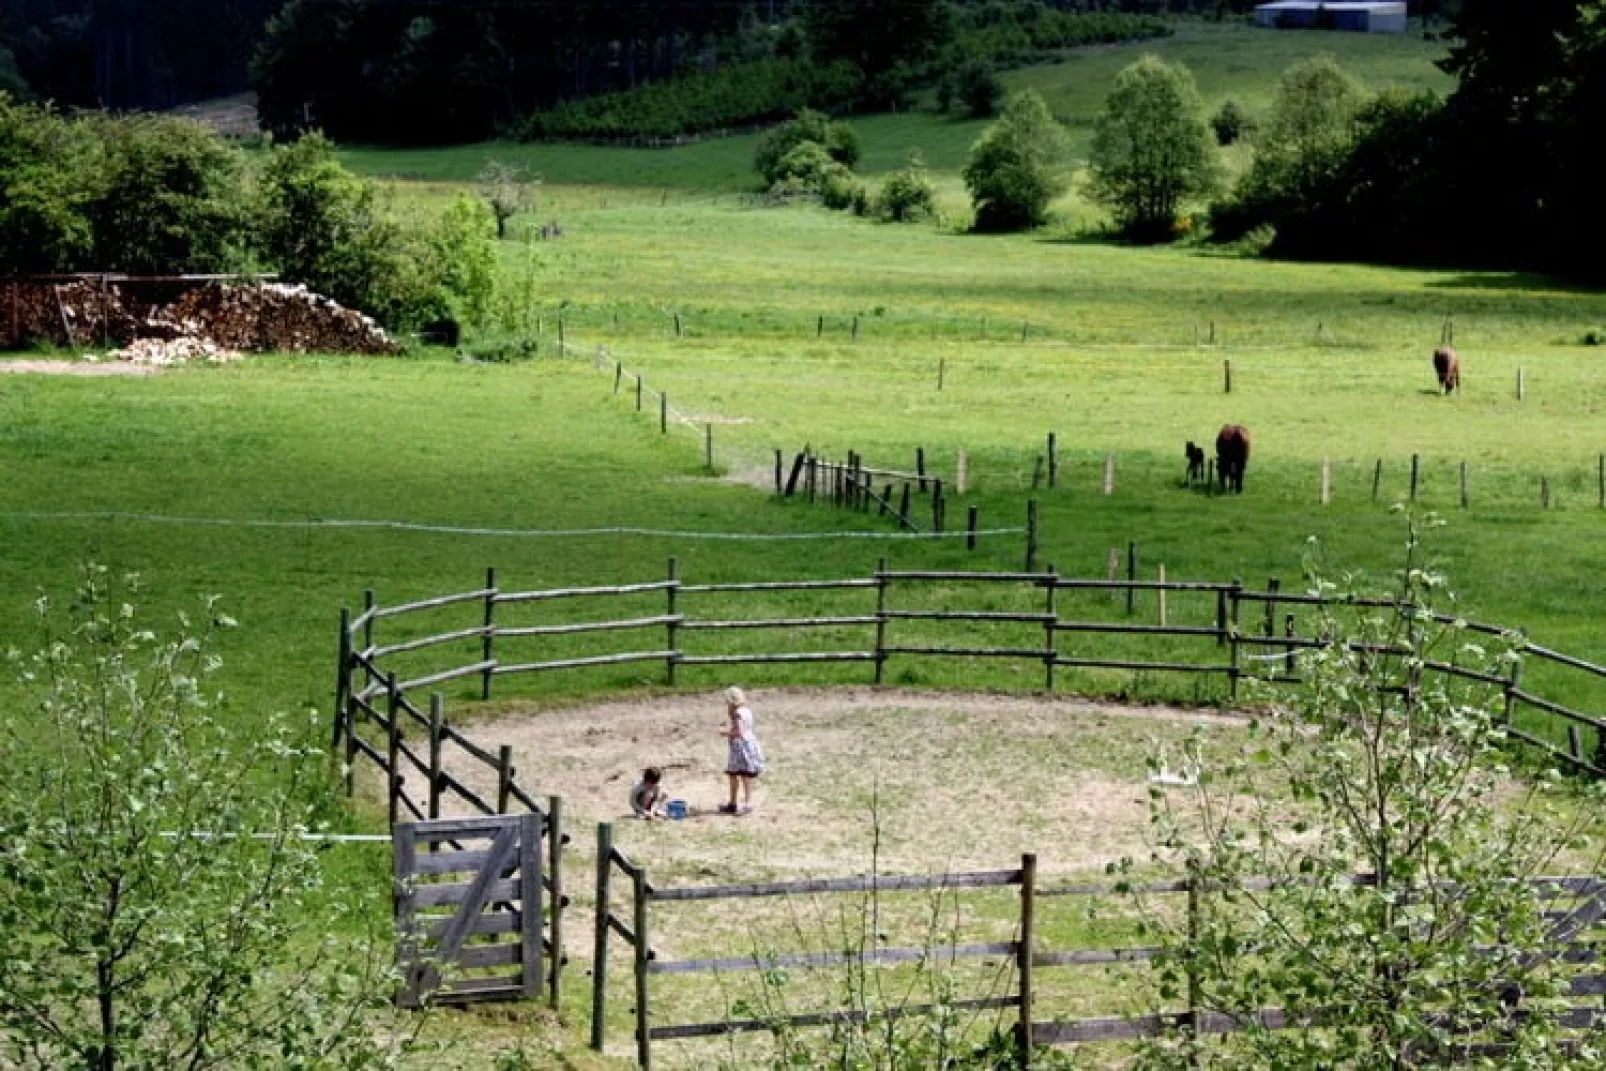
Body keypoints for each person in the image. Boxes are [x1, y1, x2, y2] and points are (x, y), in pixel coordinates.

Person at [719, 686, 765, 815]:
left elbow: (739, 731)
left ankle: (745, 803)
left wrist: (725, 732)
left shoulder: (738, 713)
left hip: (742, 747)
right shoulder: (746, 711)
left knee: (743, 775)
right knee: (737, 774)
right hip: (744, 745)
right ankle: (735, 803)